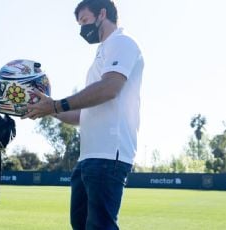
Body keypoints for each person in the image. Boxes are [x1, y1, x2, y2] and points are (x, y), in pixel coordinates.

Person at [24, 0, 144, 229]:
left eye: (85, 21)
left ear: (102, 14)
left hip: (108, 156)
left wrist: (56, 105)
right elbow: (81, 116)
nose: (82, 28)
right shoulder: (103, 51)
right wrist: (48, 109)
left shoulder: (122, 42)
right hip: (88, 158)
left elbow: (110, 88)